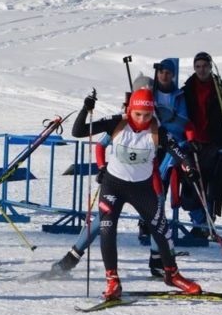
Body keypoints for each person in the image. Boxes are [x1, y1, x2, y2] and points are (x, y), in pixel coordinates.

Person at [50, 60, 196, 278]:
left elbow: (180, 128)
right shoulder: (124, 119)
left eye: (148, 90)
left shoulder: (156, 116)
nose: (145, 94)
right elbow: (100, 144)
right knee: (102, 220)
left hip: (149, 177)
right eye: (141, 90)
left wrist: (186, 153)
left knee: (158, 219)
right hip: (118, 179)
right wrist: (101, 167)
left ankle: (158, 262)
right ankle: (71, 258)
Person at [71, 87, 202, 300]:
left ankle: (172, 274)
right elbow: (77, 132)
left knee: (161, 228)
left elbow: (178, 152)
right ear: (130, 110)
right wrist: (86, 108)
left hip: (142, 189)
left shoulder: (158, 131)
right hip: (113, 186)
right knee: (107, 228)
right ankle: (112, 280)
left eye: (147, 115)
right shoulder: (117, 122)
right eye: (138, 114)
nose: (142, 119)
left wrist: (189, 168)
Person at [180, 51, 222, 236]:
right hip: (193, 144)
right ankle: (199, 222)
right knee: (191, 183)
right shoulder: (186, 89)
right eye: (198, 66)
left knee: (214, 186)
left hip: (215, 144)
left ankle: (207, 224)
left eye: (205, 66)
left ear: (210, 67)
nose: (201, 70)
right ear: (194, 68)